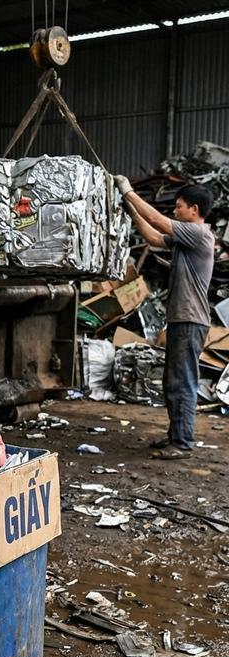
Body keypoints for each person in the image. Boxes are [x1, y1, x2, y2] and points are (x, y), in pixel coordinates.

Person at [115, 176, 214, 459]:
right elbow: (154, 237)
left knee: (182, 380)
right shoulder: (186, 238)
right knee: (175, 379)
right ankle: (176, 437)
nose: (175, 210)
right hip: (184, 319)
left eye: (179, 206)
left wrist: (129, 191)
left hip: (190, 320)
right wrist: (131, 208)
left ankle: (182, 443)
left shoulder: (199, 233)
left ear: (194, 209)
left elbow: (159, 221)